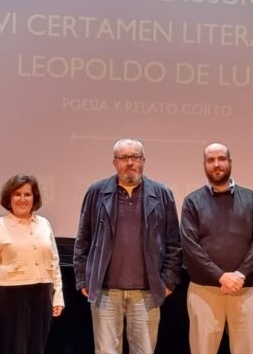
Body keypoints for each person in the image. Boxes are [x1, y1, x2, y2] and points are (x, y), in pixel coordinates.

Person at [73, 138, 181, 354]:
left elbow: (173, 243)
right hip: (105, 290)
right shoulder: (96, 192)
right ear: (115, 162)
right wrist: (83, 277)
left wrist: (168, 280)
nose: (129, 162)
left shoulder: (162, 194)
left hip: (147, 292)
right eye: (123, 157)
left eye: (134, 157)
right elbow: (83, 238)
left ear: (143, 161)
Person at [180, 143, 253, 354]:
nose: (216, 164)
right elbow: (190, 246)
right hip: (204, 292)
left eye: (221, 159)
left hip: (245, 290)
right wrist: (221, 276)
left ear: (230, 162)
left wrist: (240, 274)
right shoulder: (192, 201)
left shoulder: (250, 198)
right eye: (211, 160)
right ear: (204, 165)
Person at [0, 174, 64, 354]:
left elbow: (54, 261)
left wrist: (58, 296)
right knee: (14, 347)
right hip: (11, 294)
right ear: (9, 198)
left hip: (42, 292)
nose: (22, 199)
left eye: (27, 194)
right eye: (17, 194)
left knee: (37, 347)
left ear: (34, 198)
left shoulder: (44, 223)